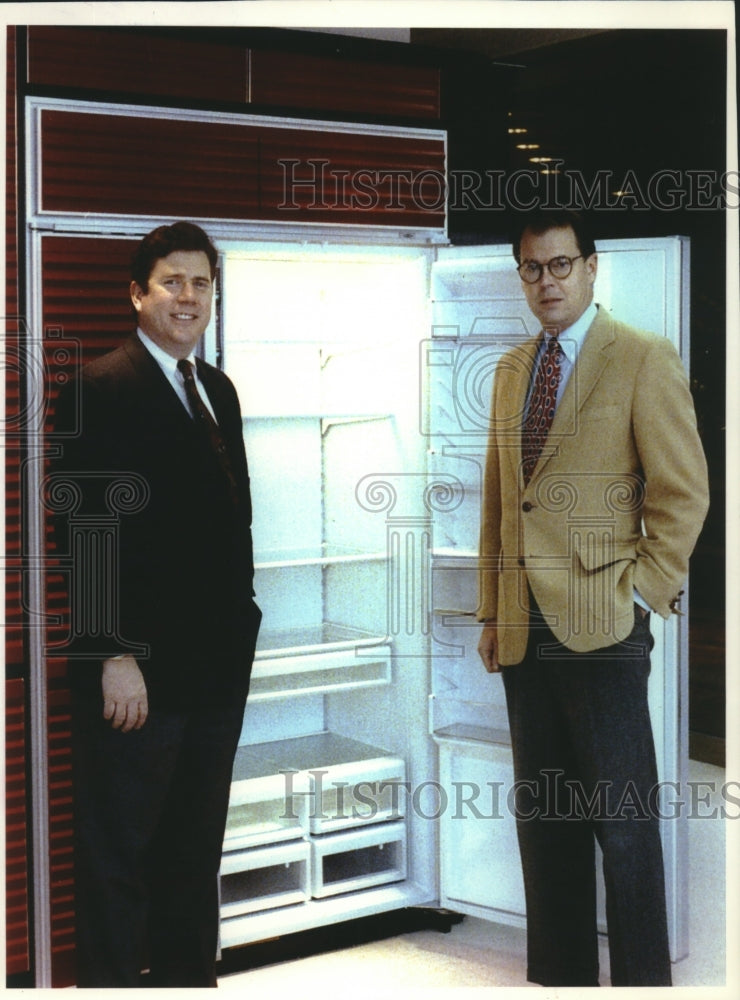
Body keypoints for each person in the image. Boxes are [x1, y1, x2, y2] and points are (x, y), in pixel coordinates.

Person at [476, 209, 709, 987]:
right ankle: (561, 979)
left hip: (605, 625)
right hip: (523, 628)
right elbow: (501, 504)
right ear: (522, 276)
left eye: (562, 265)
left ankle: (643, 981)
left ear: (592, 267)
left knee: (625, 824)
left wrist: (640, 592)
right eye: (534, 269)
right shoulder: (513, 369)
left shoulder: (641, 357)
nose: (549, 281)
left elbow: (685, 495)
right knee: (545, 822)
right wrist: (490, 609)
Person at [53, 221, 261, 987]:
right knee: (119, 858)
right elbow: (84, 532)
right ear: (137, 293)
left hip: (213, 668)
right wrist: (112, 654)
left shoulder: (218, 390)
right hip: (137, 674)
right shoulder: (100, 387)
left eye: (202, 282)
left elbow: (231, 521)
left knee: (192, 852)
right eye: (172, 281)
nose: (189, 297)